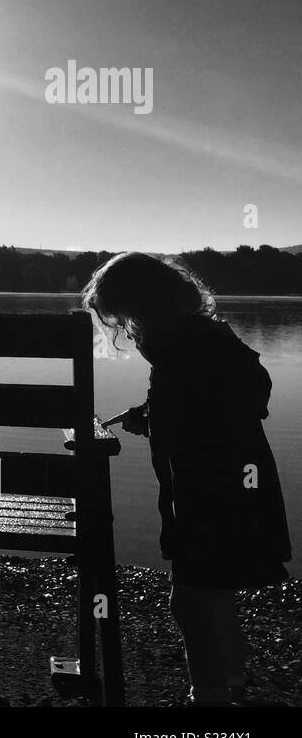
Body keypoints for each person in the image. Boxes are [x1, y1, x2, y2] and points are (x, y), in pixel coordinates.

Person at [83, 251, 291, 705]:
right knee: (214, 592)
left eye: (126, 318)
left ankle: (208, 695)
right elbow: (237, 397)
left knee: (190, 599)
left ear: (145, 307)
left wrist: (164, 417)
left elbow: (213, 410)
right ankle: (231, 682)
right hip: (233, 484)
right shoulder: (199, 339)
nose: (126, 330)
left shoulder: (182, 349)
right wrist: (152, 414)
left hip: (208, 491)